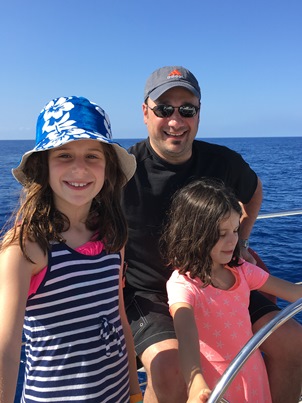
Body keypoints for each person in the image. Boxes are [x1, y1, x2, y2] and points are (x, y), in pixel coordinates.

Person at [122, 66, 302, 403]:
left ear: (199, 113)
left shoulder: (223, 162)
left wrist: (241, 244)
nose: (176, 121)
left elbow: (254, 192)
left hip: (220, 281)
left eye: (187, 109)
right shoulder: (124, 169)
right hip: (151, 293)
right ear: (145, 112)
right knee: (170, 370)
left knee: (293, 342)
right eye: (164, 109)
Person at [0, 96, 143, 403]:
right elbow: (5, 348)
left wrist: (134, 391)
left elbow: (119, 317)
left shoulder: (111, 238)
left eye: (93, 156)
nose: (80, 168)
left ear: (108, 168)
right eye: (64, 155)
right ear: (44, 167)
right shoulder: (26, 248)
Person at [162, 178, 302, 403]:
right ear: (193, 233)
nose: (232, 241)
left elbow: (292, 292)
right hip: (216, 382)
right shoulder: (183, 285)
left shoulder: (242, 271)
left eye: (235, 230)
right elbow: (186, 335)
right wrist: (195, 381)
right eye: (221, 233)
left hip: (251, 372)